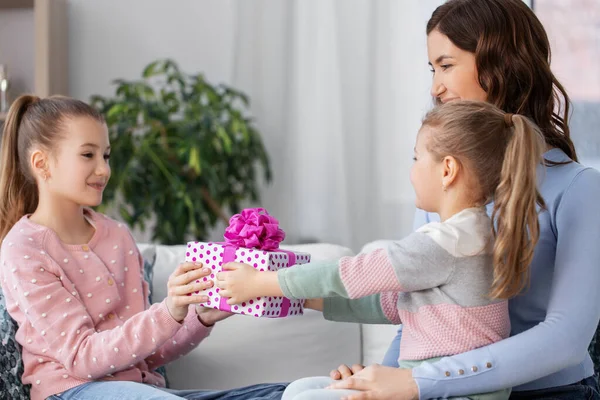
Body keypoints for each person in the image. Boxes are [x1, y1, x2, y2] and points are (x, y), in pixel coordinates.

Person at [302, 0, 600, 398]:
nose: (435, 87)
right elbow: (418, 310)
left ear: (500, 63)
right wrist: (375, 385)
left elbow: (565, 339)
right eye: (433, 69)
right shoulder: (444, 179)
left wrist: (415, 383)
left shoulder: (579, 188)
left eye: (446, 65)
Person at [216, 100, 548, 400]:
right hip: (446, 390)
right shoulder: (473, 236)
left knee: (303, 397)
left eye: (417, 158)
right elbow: (393, 303)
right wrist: (301, 298)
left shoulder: (447, 241)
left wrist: (265, 282)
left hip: (448, 394)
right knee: (302, 390)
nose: (412, 170)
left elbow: (352, 273)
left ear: (447, 170)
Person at [0, 95, 287, 400]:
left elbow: (148, 355)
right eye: (88, 155)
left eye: (106, 156)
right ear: (42, 164)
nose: (103, 170)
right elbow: (81, 358)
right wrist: (167, 311)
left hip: (143, 391)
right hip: (73, 391)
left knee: (292, 393)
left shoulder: (118, 236)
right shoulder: (24, 248)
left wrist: (197, 316)